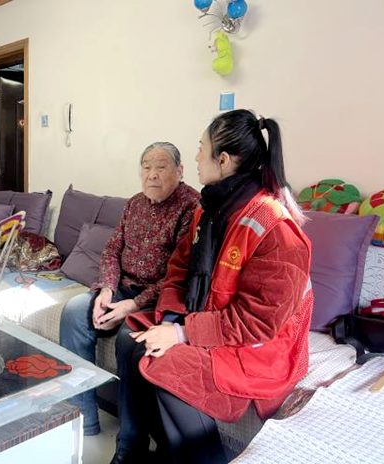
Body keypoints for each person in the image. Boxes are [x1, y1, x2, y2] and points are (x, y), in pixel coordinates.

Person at [111, 110, 313, 464]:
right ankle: (136, 451)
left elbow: (258, 323)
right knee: (131, 339)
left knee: (162, 360)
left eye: (200, 149)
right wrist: (170, 321)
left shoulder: (276, 228)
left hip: (257, 347)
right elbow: (179, 269)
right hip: (207, 320)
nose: (195, 157)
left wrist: (181, 334)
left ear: (223, 160)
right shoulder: (209, 211)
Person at [59, 142, 201, 436]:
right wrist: (107, 291)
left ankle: (131, 438)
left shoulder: (192, 207)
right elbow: (112, 250)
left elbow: (180, 274)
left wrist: (133, 305)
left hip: (158, 300)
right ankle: (83, 420)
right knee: (74, 312)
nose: (152, 175)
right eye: (146, 167)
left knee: (130, 336)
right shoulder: (135, 203)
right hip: (122, 289)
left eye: (161, 167)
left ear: (180, 171)